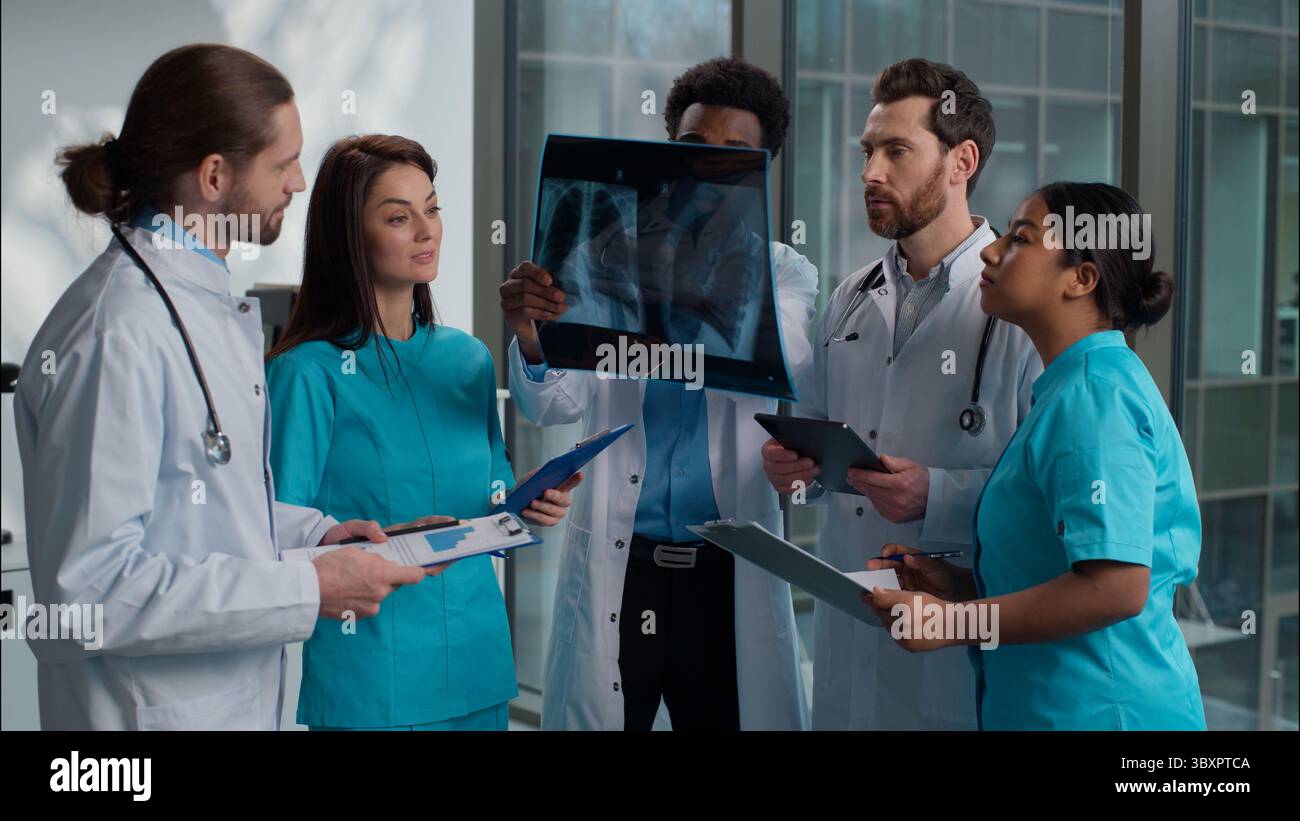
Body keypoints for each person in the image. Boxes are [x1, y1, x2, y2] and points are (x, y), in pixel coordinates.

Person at [14, 44, 429, 731]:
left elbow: (198, 512)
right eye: (283, 163)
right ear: (214, 176)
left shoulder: (199, 304)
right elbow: (89, 591)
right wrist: (306, 586)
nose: (299, 182)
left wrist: (319, 537)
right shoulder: (117, 331)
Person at [501, 57, 818, 730]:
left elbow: (778, 356)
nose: (706, 169)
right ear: (667, 150)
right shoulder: (602, 259)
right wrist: (532, 333)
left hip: (725, 575)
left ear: (762, 169)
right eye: (693, 147)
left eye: (733, 155)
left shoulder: (784, 272)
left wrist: (677, 268)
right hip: (626, 563)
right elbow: (552, 403)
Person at [760, 58, 1041, 730]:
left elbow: (1043, 494)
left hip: (956, 653)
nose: (870, 173)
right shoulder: (849, 297)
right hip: (849, 638)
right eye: (867, 152)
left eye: (896, 151)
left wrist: (936, 494)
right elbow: (818, 440)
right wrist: (795, 471)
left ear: (961, 161)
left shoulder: (1021, 306)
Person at [266, 134, 580, 731]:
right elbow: (274, 537)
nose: (426, 230)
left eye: (431, 209)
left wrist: (529, 503)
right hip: (373, 682)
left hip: (478, 665)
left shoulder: (468, 359)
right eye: (398, 217)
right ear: (349, 235)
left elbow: (490, 501)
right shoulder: (305, 374)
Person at [867, 182, 1206, 730]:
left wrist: (955, 622)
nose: (991, 250)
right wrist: (961, 585)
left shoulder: (1094, 398)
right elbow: (1065, 567)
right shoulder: (1071, 388)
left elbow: (1115, 588)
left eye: (1021, 239)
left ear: (1081, 279)